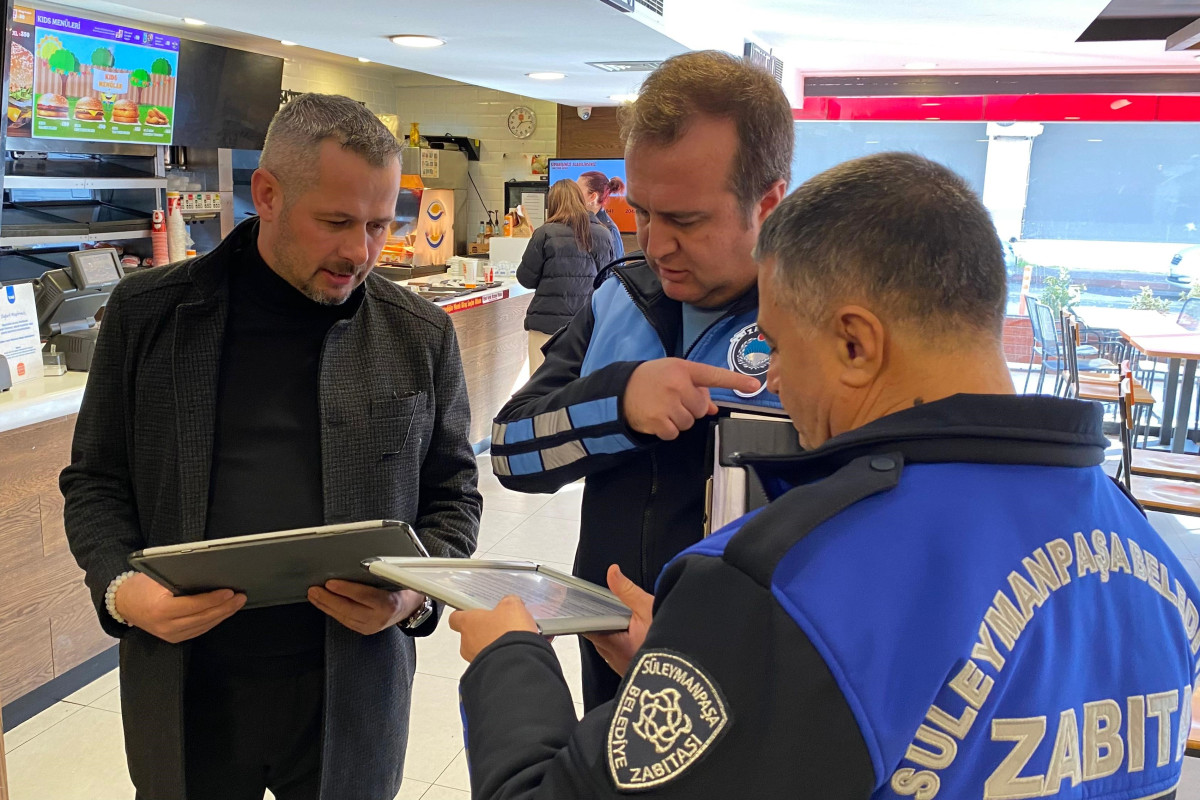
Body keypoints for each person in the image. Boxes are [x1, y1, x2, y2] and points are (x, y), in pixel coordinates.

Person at [450, 151, 1200, 799]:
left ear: (854, 345)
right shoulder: (1153, 561)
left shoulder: (786, 580)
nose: (772, 376)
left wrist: (509, 661)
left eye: (777, 346)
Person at [60, 93, 481, 800]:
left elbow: (454, 497)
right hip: (187, 688)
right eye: (336, 222)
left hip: (351, 691)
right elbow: (96, 480)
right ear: (267, 195)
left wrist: (412, 595)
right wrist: (123, 590)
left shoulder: (419, 333)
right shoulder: (149, 314)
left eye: (380, 225)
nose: (361, 252)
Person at [489, 50, 793, 710]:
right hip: (610, 642)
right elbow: (511, 452)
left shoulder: (820, 324)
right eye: (644, 213)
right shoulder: (618, 297)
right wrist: (618, 404)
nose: (654, 245)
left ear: (767, 204)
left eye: (686, 220)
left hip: (755, 678)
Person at [518, 179, 614, 370]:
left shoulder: (544, 233)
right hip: (587, 325)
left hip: (546, 324)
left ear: (552, 203)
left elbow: (526, 279)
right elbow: (607, 282)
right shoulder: (603, 234)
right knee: (581, 381)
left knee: (541, 384)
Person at [577, 169, 626, 261]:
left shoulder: (609, 229)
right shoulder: (578, 223)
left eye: (577, 191)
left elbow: (617, 266)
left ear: (593, 197)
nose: (572, 195)